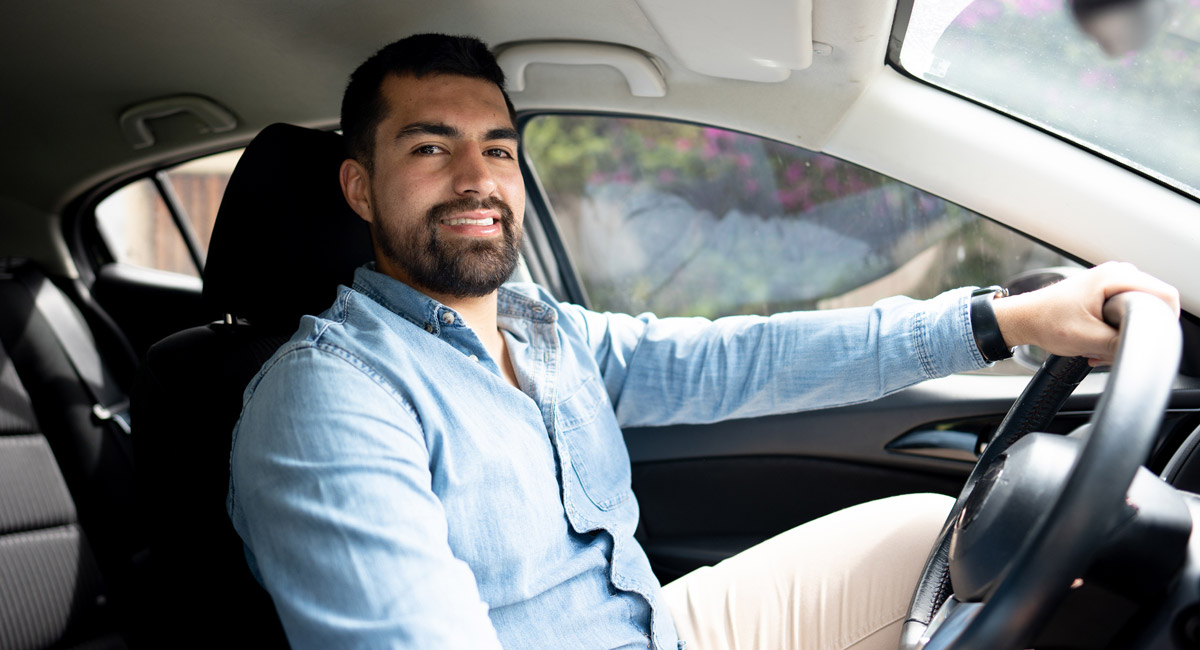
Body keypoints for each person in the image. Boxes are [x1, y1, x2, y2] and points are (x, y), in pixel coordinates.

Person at [227, 33, 1180, 650]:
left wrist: (997, 321)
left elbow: (743, 358)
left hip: (659, 631)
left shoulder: (542, 327)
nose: (478, 177)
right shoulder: (326, 401)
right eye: (431, 147)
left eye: (499, 148)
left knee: (934, 542)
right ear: (360, 190)